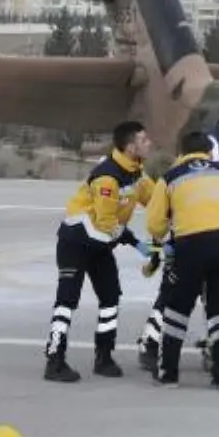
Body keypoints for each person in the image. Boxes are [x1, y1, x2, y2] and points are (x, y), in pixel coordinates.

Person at [44, 120, 154, 383]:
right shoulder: (108, 176)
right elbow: (105, 222)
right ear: (130, 147)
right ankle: (54, 360)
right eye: (143, 139)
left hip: (100, 245)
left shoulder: (137, 173)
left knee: (110, 296)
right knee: (67, 300)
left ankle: (104, 357)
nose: (149, 142)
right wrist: (137, 243)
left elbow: (156, 200)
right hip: (77, 242)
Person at [146, 131, 219, 391]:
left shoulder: (170, 177)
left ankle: (168, 374)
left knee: (177, 309)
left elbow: (155, 225)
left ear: (181, 153)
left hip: (191, 244)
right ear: (209, 151)